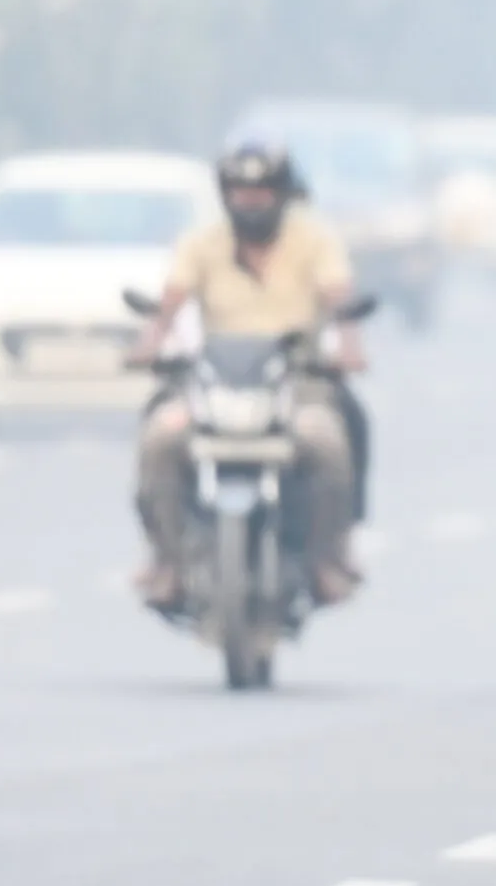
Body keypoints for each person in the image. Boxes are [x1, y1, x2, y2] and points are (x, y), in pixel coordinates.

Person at [128, 142, 368, 608]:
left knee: (333, 437)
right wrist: (150, 344)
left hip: (298, 382)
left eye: (261, 193)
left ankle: (328, 554)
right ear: (225, 196)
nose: (251, 202)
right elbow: (170, 303)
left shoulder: (314, 241)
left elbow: (339, 298)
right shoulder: (202, 243)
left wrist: (350, 349)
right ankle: (167, 557)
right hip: (214, 383)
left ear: (282, 195)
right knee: (159, 435)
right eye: (241, 193)